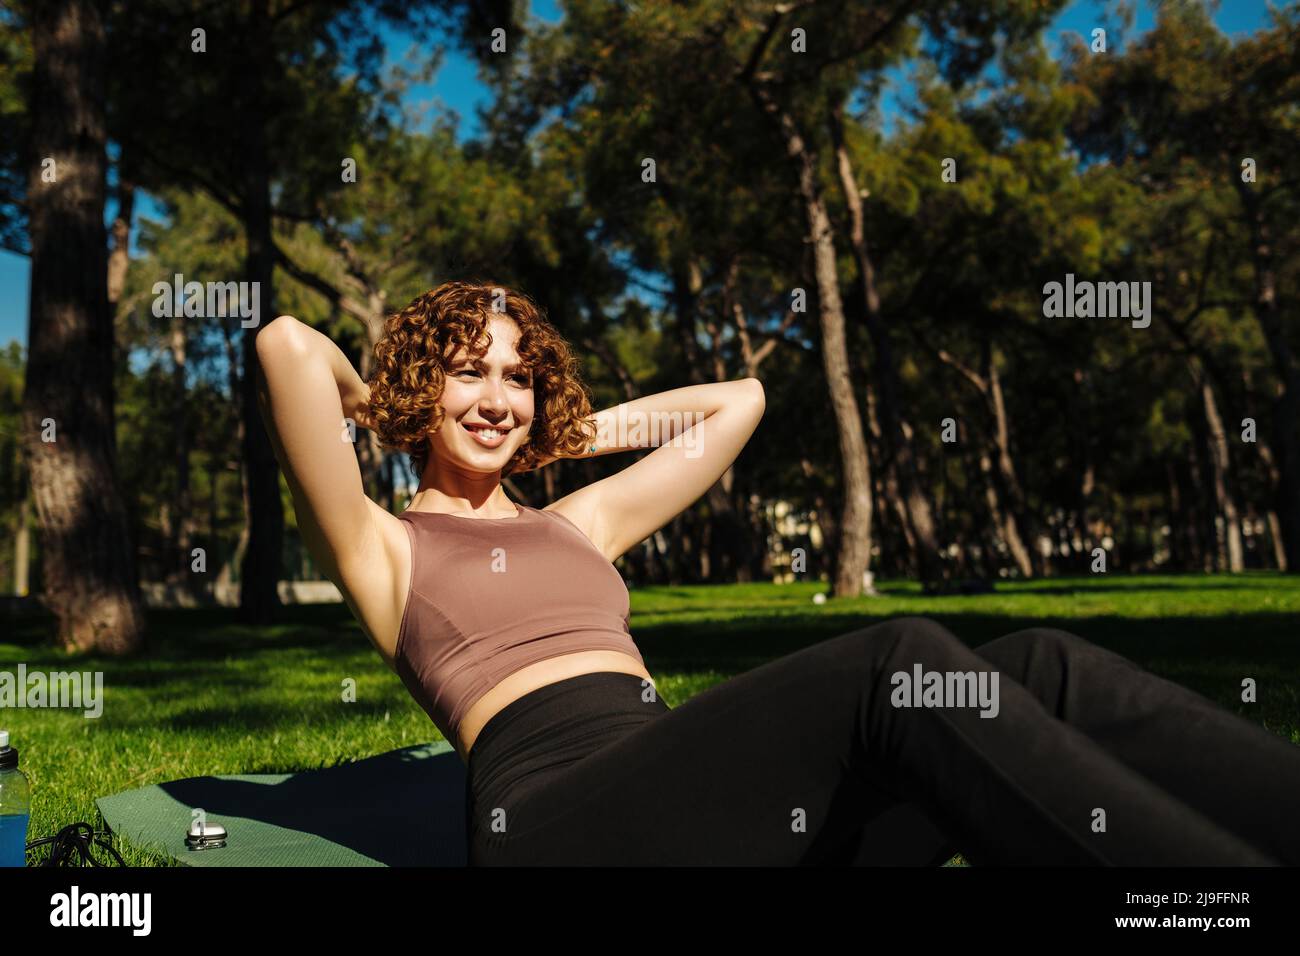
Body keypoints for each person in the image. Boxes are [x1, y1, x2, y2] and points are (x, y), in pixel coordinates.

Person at [254, 280, 1300, 866]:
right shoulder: (380, 545)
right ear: (417, 387)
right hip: (557, 825)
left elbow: (737, 403)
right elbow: (289, 345)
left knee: (1046, 662)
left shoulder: (579, 521)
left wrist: (554, 434)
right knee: (896, 663)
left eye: (517, 377)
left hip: (701, 806)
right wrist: (384, 403)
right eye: (468, 371)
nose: (495, 396)